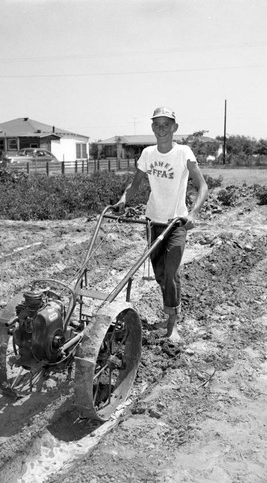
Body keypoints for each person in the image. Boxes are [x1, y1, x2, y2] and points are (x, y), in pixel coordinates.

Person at [114, 106, 209, 341]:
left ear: (175, 128)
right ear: (152, 127)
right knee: (159, 274)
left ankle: (172, 325)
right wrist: (124, 199)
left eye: (167, 124)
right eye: (157, 124)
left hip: (176, 222)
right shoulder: (148, 154)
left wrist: (193, 214)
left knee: (170, 272)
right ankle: (170, 312)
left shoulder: (184, 153)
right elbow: (135, 184)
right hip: (152, 221)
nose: (161, 129)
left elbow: (203, 186)